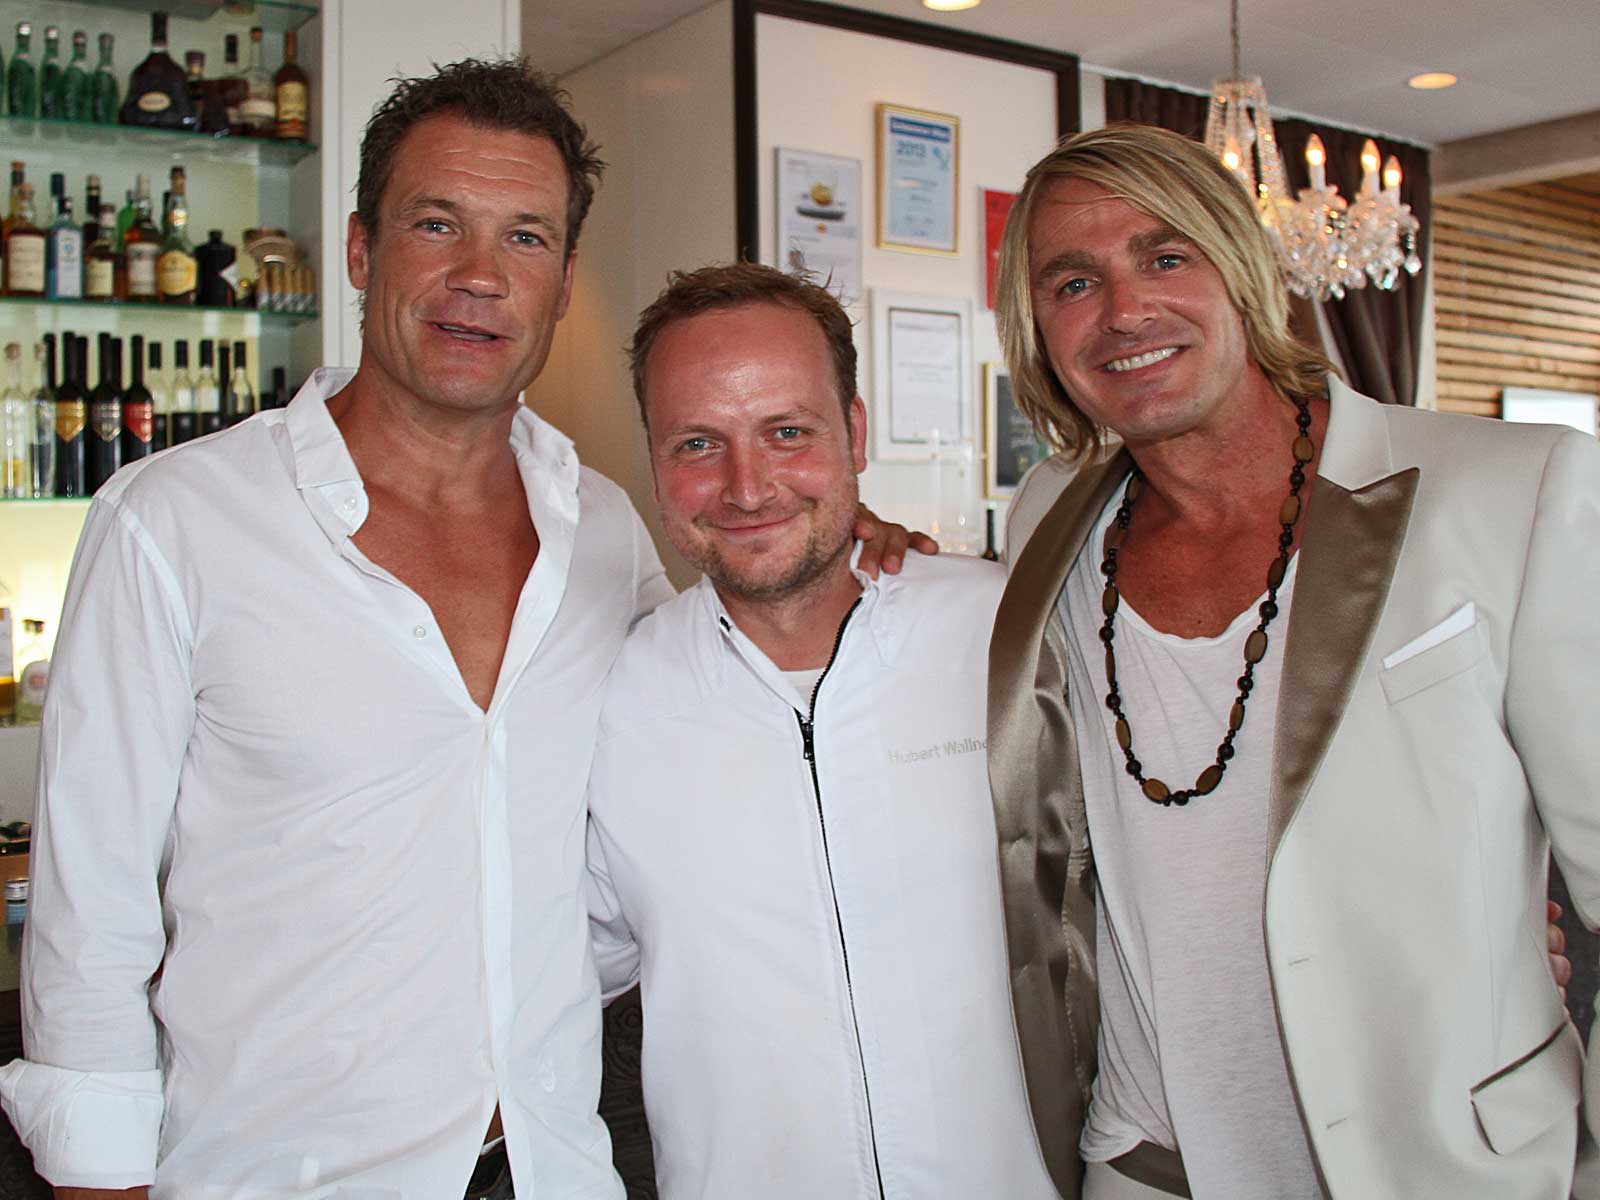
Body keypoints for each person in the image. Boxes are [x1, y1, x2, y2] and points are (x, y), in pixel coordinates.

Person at [0, 60, 917, 1200]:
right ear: (360, 249)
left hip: (555, 1163)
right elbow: (89, 916)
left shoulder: (605, 532)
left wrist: (846, 545)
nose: (479, 276)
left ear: (564, 282)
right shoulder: (173, 523)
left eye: (524, 237)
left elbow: (709, 758)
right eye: (437, 224)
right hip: (277, 1177)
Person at [986, 122, 1599, 1200]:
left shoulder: (1517, 490)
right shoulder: (1047, 517)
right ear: (1036, 329)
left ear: (1242, 267)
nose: (1124, 310)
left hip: (1437, 1166)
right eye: (1072, 282)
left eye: (1165, 255)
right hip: (1145, 1162)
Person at [583, 263, 1056, 1198]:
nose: (746, 486)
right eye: (697, 444)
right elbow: (554, 967)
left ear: (856, 433)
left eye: (787, 432)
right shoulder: (610, 698)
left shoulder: (1008, 637)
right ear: (654, 461)